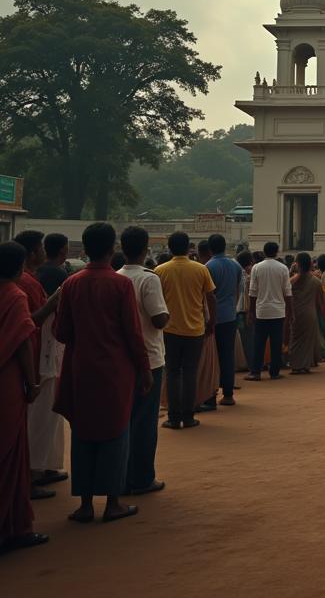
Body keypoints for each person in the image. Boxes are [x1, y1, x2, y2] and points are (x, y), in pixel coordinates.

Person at [54, 222, 152, 523]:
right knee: (116, 431)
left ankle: (84, 504)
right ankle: (112, 502)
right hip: (115, 369)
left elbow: (61, 331)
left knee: (83, 432)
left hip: (81, 366)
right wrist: (144, 368)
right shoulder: (120, 285)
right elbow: (133, 334)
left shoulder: (71, 283)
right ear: (113, 250)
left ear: (85, 249)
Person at [0, 241, 47, 554]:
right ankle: (11, 528)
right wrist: (32, 382)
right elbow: (23, 342)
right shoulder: (15, 295)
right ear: (21, 265)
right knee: (11, 453)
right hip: (9, 381)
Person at [117, 226, 169, 495]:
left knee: (124, 419)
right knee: (145, 422)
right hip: (149, 356)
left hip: (121, 358)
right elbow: (159, 319)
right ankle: (142, 477)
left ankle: (121, 474)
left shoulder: (116, 277)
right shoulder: (149, 280)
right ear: (146, 248)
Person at [19, 231, 65, 497]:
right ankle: (33, 474)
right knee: (39, 419)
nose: (42, 253)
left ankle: (44, 466)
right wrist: (54, 301)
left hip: (43, 353)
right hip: (39, 357)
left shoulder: (28, 280)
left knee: (48, 417)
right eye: (38, 249)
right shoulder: (25, 283)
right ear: (30, 253)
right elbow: (30, 322)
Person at [155, 231, 215, 429]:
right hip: (195, 329)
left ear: (170, 248)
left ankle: (173, 416)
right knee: (190, 372)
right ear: (189, 247)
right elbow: (210, 298)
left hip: (170, 329)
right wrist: (211, 322)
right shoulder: (200, 269)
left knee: (172, 372)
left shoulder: (160, 270)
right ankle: (188, 416)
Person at [204, 233, 243, 405]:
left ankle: (210, 395)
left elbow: (208, 295)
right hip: (229, 314)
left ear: (210, 249)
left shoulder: (208, 267)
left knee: (211, 357)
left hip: (212, 317)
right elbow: (237, 289)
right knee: (227, 356)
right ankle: (228, 394)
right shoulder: (235, 266)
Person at [246, 241, 293, 381]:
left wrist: (251, 311)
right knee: (276, 343)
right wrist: (290, 312)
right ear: (277, 252)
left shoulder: (256, 268)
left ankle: (256, 372)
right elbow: (288, 293)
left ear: (264, 252)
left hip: (262, 310)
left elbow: (252, 292)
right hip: (278, 311)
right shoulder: (283, 268)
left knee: (259, 343)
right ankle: (275, 372)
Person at [288, 253, 322, 374]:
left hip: (295, 312)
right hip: (310, 313)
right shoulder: (316, 281)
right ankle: (305, 365)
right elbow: (320, 302)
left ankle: (296, 365)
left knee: (295, 339)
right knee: (307, 340)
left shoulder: (292, 281)